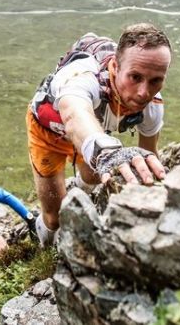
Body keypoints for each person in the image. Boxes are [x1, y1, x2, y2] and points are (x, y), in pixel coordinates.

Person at [27, 23, 171, 246]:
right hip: (49, 133)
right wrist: (106, 153)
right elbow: (74, 113)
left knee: (95, 176)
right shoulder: (83, 75)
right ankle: (43, 245)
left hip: (92, 133)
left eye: (156, 80)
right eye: (135, 77)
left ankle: (77, 191)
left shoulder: (153, 105)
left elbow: (149, 156)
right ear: (115, 65)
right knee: (54, 218)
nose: (144, 93)